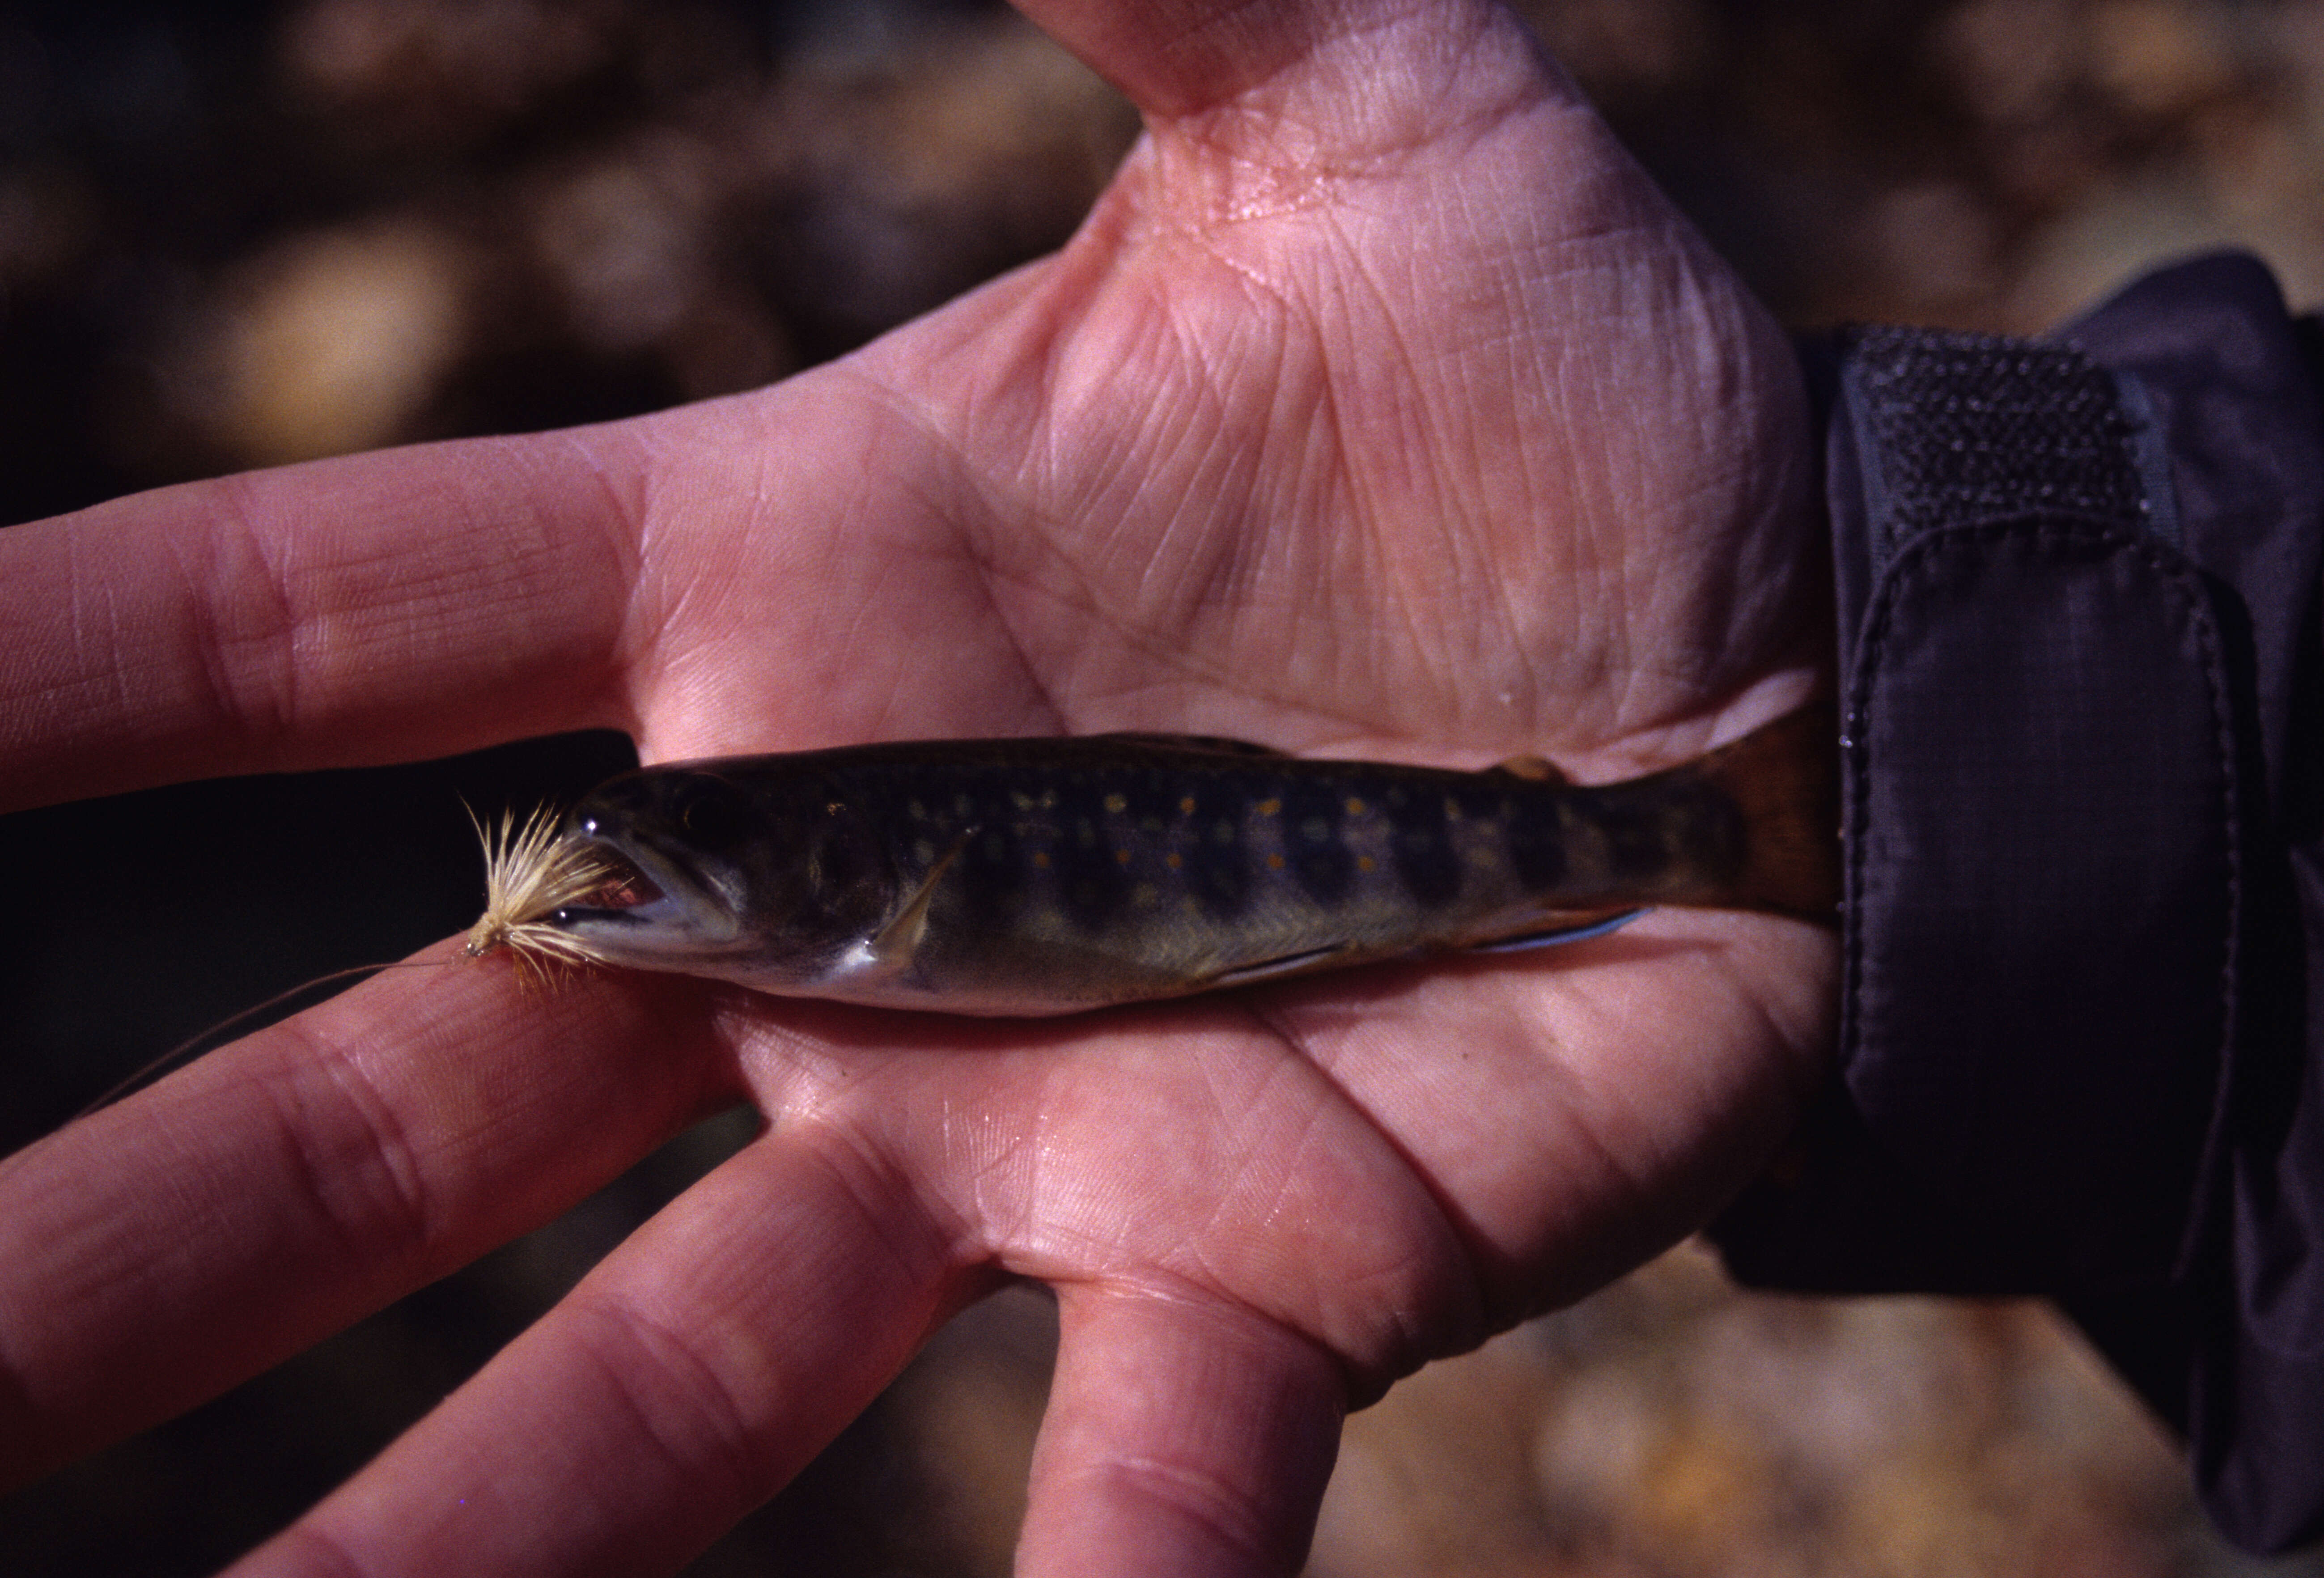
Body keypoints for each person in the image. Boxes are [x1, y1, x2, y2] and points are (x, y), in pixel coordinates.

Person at [0, 0, 2315, 1571]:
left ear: (829, 873)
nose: (633, 883)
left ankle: (1758, 830)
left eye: (685, 856)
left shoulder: (867, 918)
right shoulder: (835, 903)